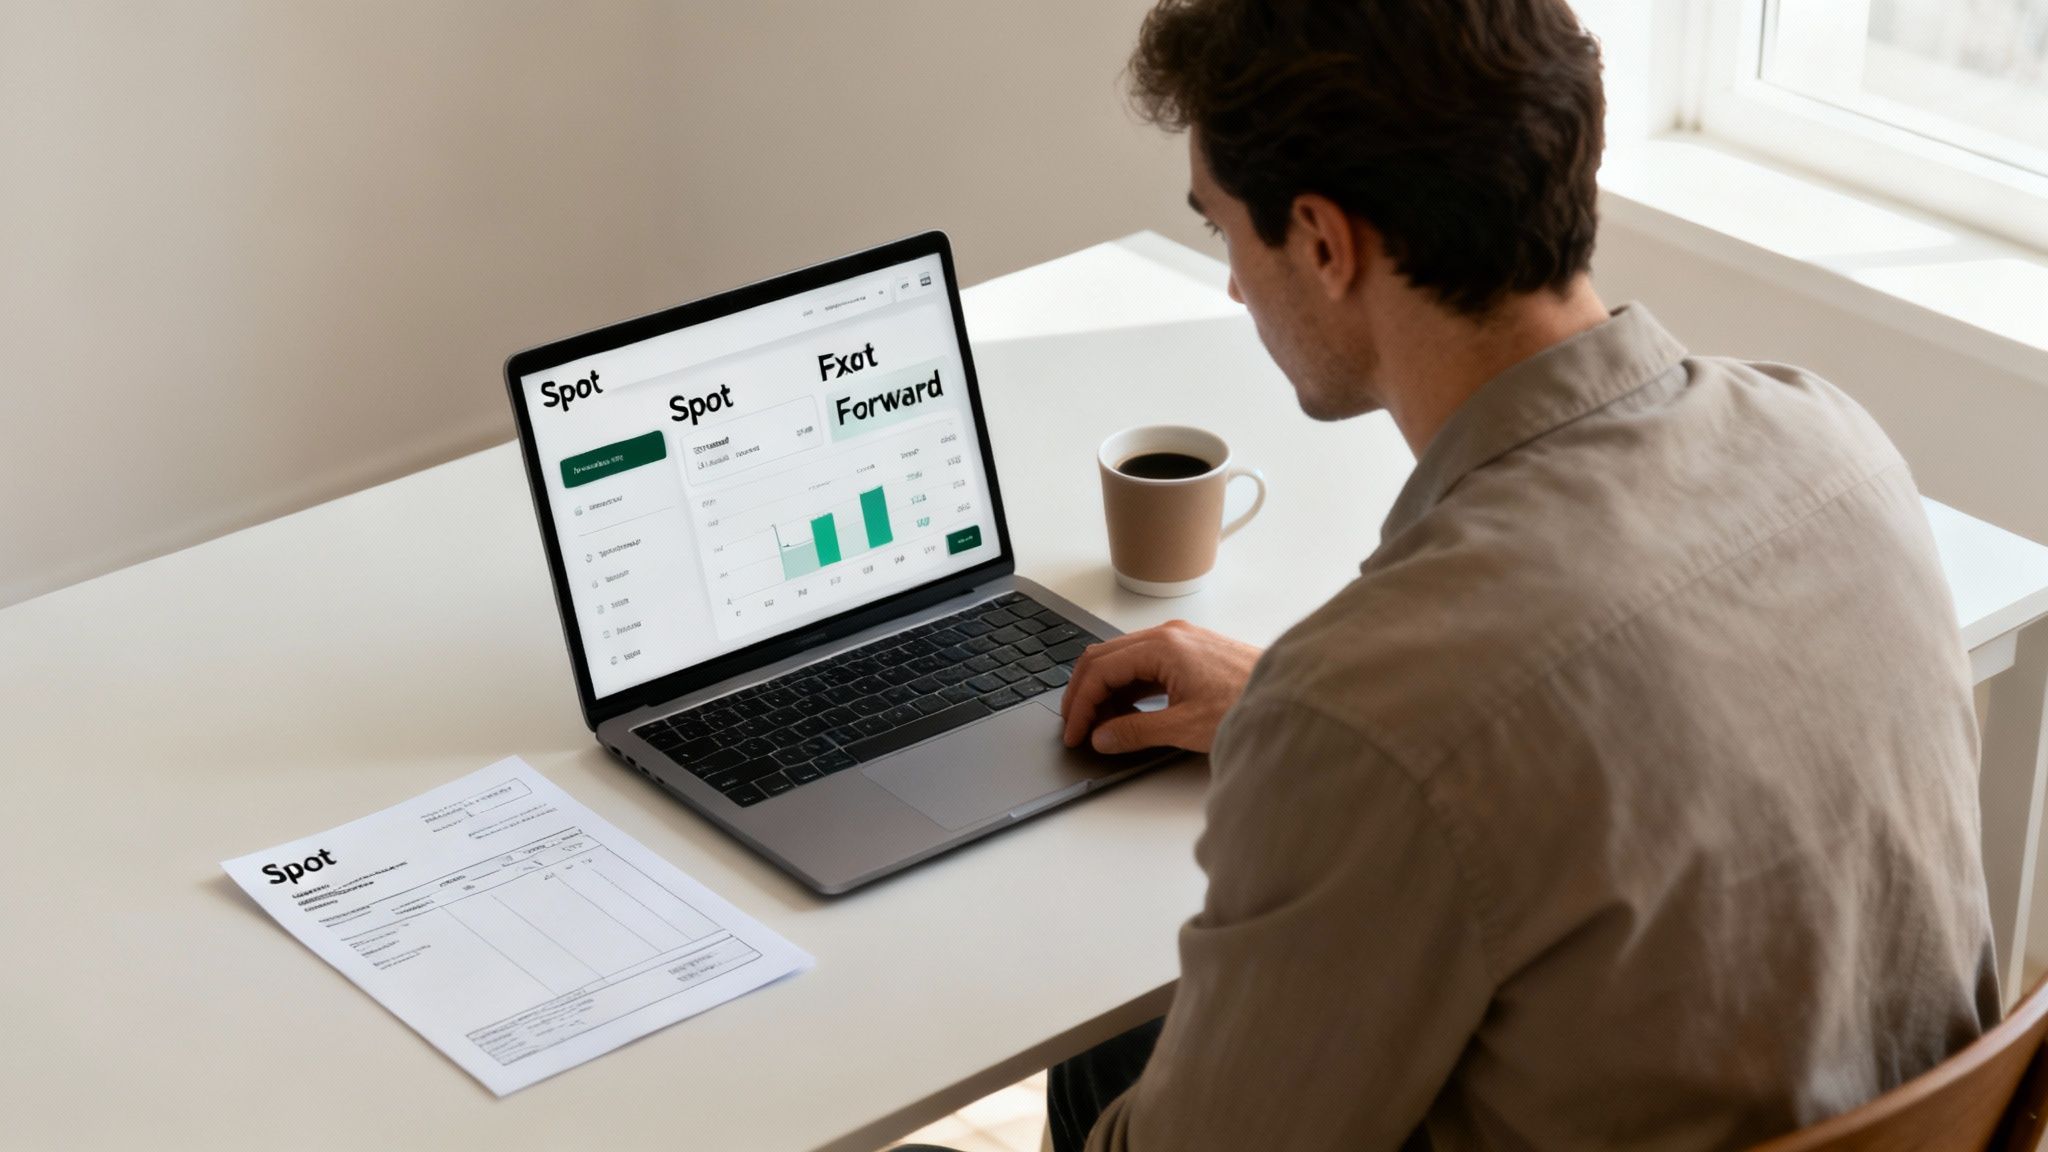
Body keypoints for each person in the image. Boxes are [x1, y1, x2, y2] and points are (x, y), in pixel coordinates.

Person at [904, 0, 1998, 1148]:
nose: (1230, 285)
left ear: (1323, 243)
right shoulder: (1836, 447)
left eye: (1225, 232)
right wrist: (1301, 711)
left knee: (1107, 1076)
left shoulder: (1379, 708)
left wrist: (1330, 733)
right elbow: (1591, 707)